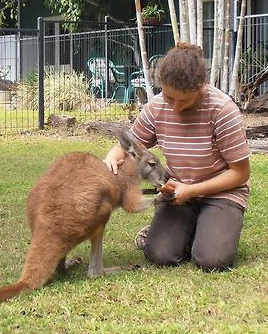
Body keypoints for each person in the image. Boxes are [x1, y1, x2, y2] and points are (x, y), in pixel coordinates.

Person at [104, 43, 251, 271]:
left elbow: (240, 174)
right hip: (178, 193)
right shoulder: (157, 106)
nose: (173, 107)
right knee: (160, 255)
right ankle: (185, 230)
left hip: (222, 193)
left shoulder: (222, 110)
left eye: (183, 101)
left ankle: (208, 229)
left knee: (212, 260)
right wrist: (113, 156)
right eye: (169, 97)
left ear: (201, 86)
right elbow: (130, 144)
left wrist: (192, 190)